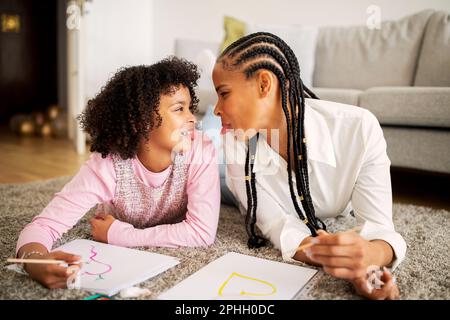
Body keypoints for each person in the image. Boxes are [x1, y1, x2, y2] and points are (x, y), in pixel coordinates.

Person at [212, 32, 405, 300]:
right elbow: (276, 226)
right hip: (229, 180)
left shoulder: (359, 129)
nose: (216, 109)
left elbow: (380, 226)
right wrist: (337, 259)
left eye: (223, 93)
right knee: (212, 180)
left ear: (264, 84)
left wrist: (369, 259)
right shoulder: (235, 141)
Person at [15, 57, 220, 289]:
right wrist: (34, 260)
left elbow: (202, 232)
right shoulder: (109, 164)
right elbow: (43, 226)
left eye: (190, 108)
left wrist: (122, 235)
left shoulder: (201, 149)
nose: (192, 118)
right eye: (179, 109)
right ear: (141, 121)